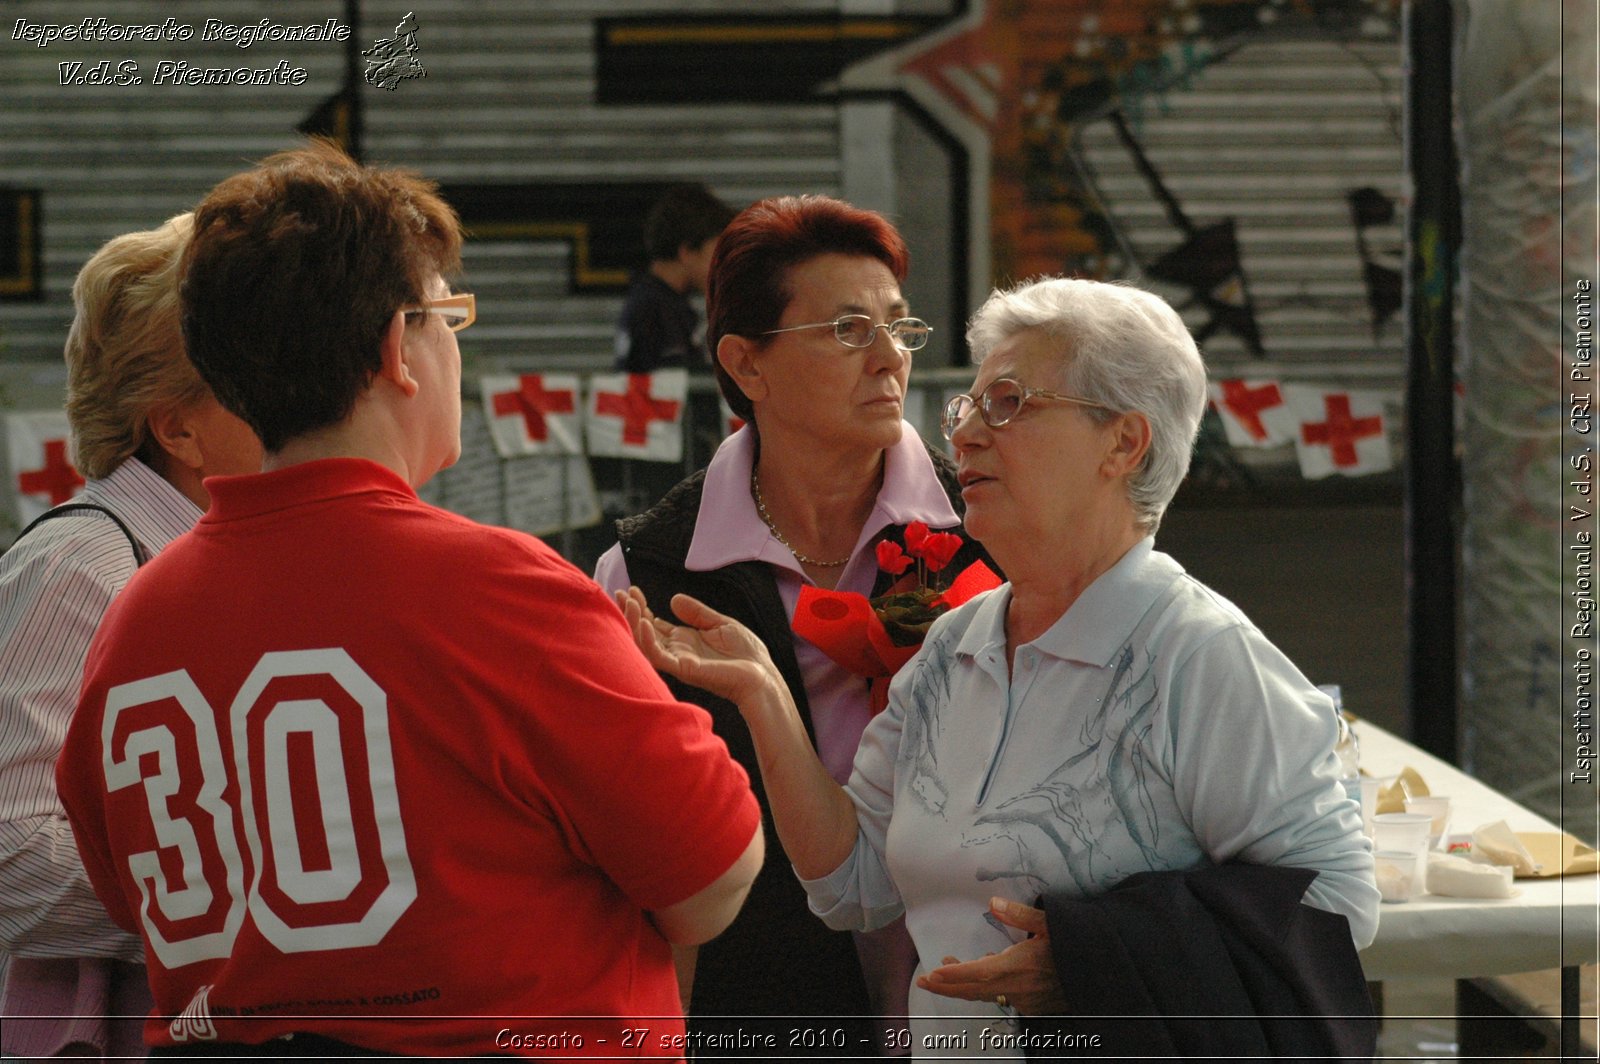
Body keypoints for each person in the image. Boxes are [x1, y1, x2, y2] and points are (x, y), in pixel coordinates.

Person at [55, 140, 762, 1058]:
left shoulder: (133, 622)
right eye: (448, 319)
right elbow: (711, 876)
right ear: (398, 347)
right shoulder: (500, 589)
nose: (455, 349)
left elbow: (126, 896)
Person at [618, 276, 1380, 1056]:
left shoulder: (1198, 655)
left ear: (1123, 442)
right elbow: (853, 884)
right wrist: (765, 694)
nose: (966, 437)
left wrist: (1097, 962)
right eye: (968, 407)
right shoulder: (957, 646)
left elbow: (1336, 904)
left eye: (1009, 404)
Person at [595, 194, 993, 1051]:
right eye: (849, 331)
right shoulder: (651, 575)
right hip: (763, 1011)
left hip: (976, 1002)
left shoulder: (987, 537)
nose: (891, 358)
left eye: (900, 326)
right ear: (747, 363)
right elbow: (636, 854)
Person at [0, 213, 262, 1060]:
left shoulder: (218, 555)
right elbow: (10, 855)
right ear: (177, 427)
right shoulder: (83, 564)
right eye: (259, 374)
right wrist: (250, 901)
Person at [613, 182, 735, 374]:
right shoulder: (655, 309)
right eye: (716, 254)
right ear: (687, 252)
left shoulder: (659, 301)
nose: (721, 265)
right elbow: (675, 385)